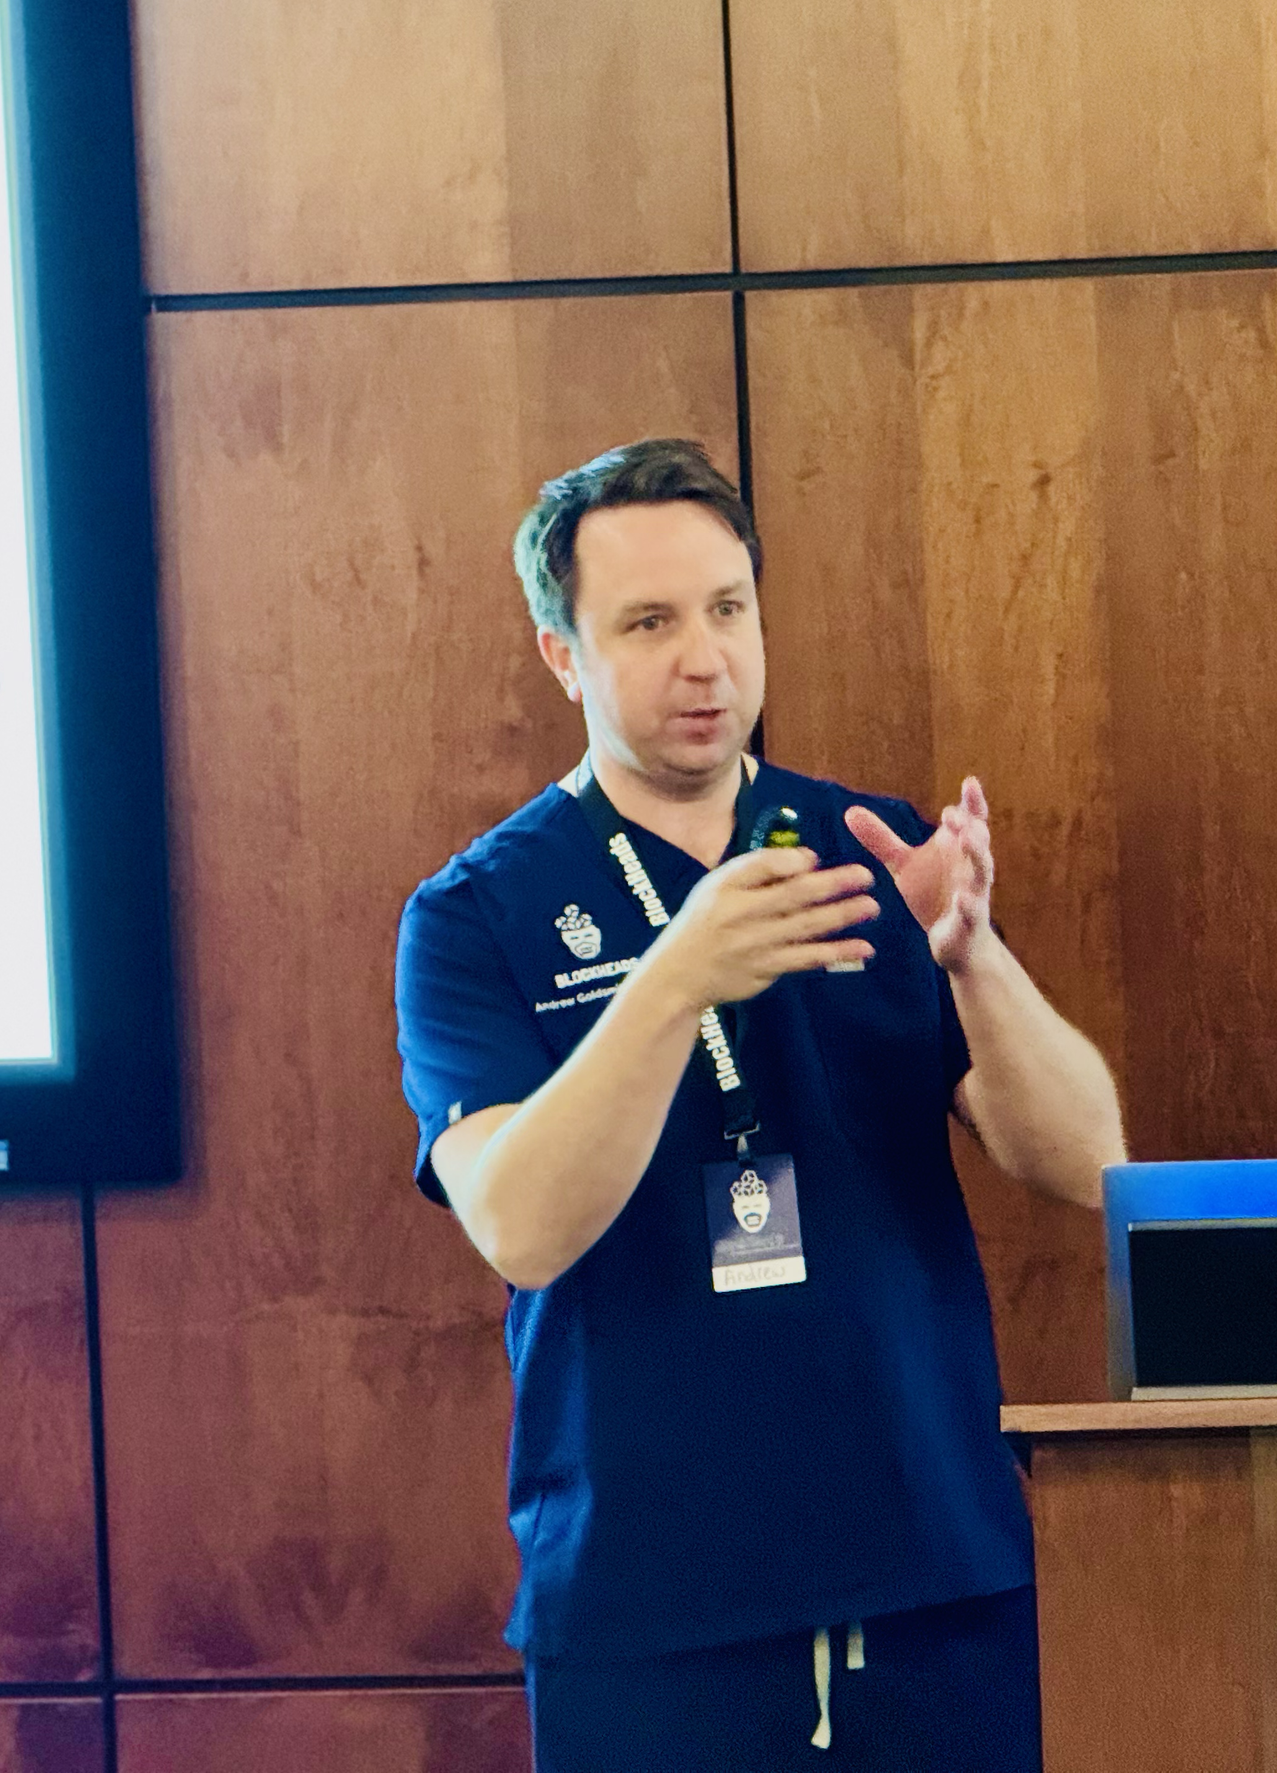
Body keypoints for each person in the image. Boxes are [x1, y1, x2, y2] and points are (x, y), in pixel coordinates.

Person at [394, 437, 1126, 1770]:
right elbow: (518, 1224)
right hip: (650, 1598)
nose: (705, 657)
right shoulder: (475, 913)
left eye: (729, 609)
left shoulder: (863, 848)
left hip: (928, 1565)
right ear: (563, 652)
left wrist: (974, 954)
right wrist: (674, 979)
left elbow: (1087, 1157)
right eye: (650, 622)